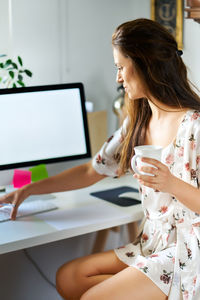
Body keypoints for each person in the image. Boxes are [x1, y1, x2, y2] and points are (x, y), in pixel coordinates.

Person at [1, 18, 200, 300]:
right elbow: (91, 171)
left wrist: (170, 183)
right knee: (68, 278)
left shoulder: (194, 126)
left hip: (188, 251)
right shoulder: (138, 119)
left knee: (91, 298)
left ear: (144, 65)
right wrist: (29, 189)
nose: (118, 78)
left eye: (120, 67)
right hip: (153, 242)